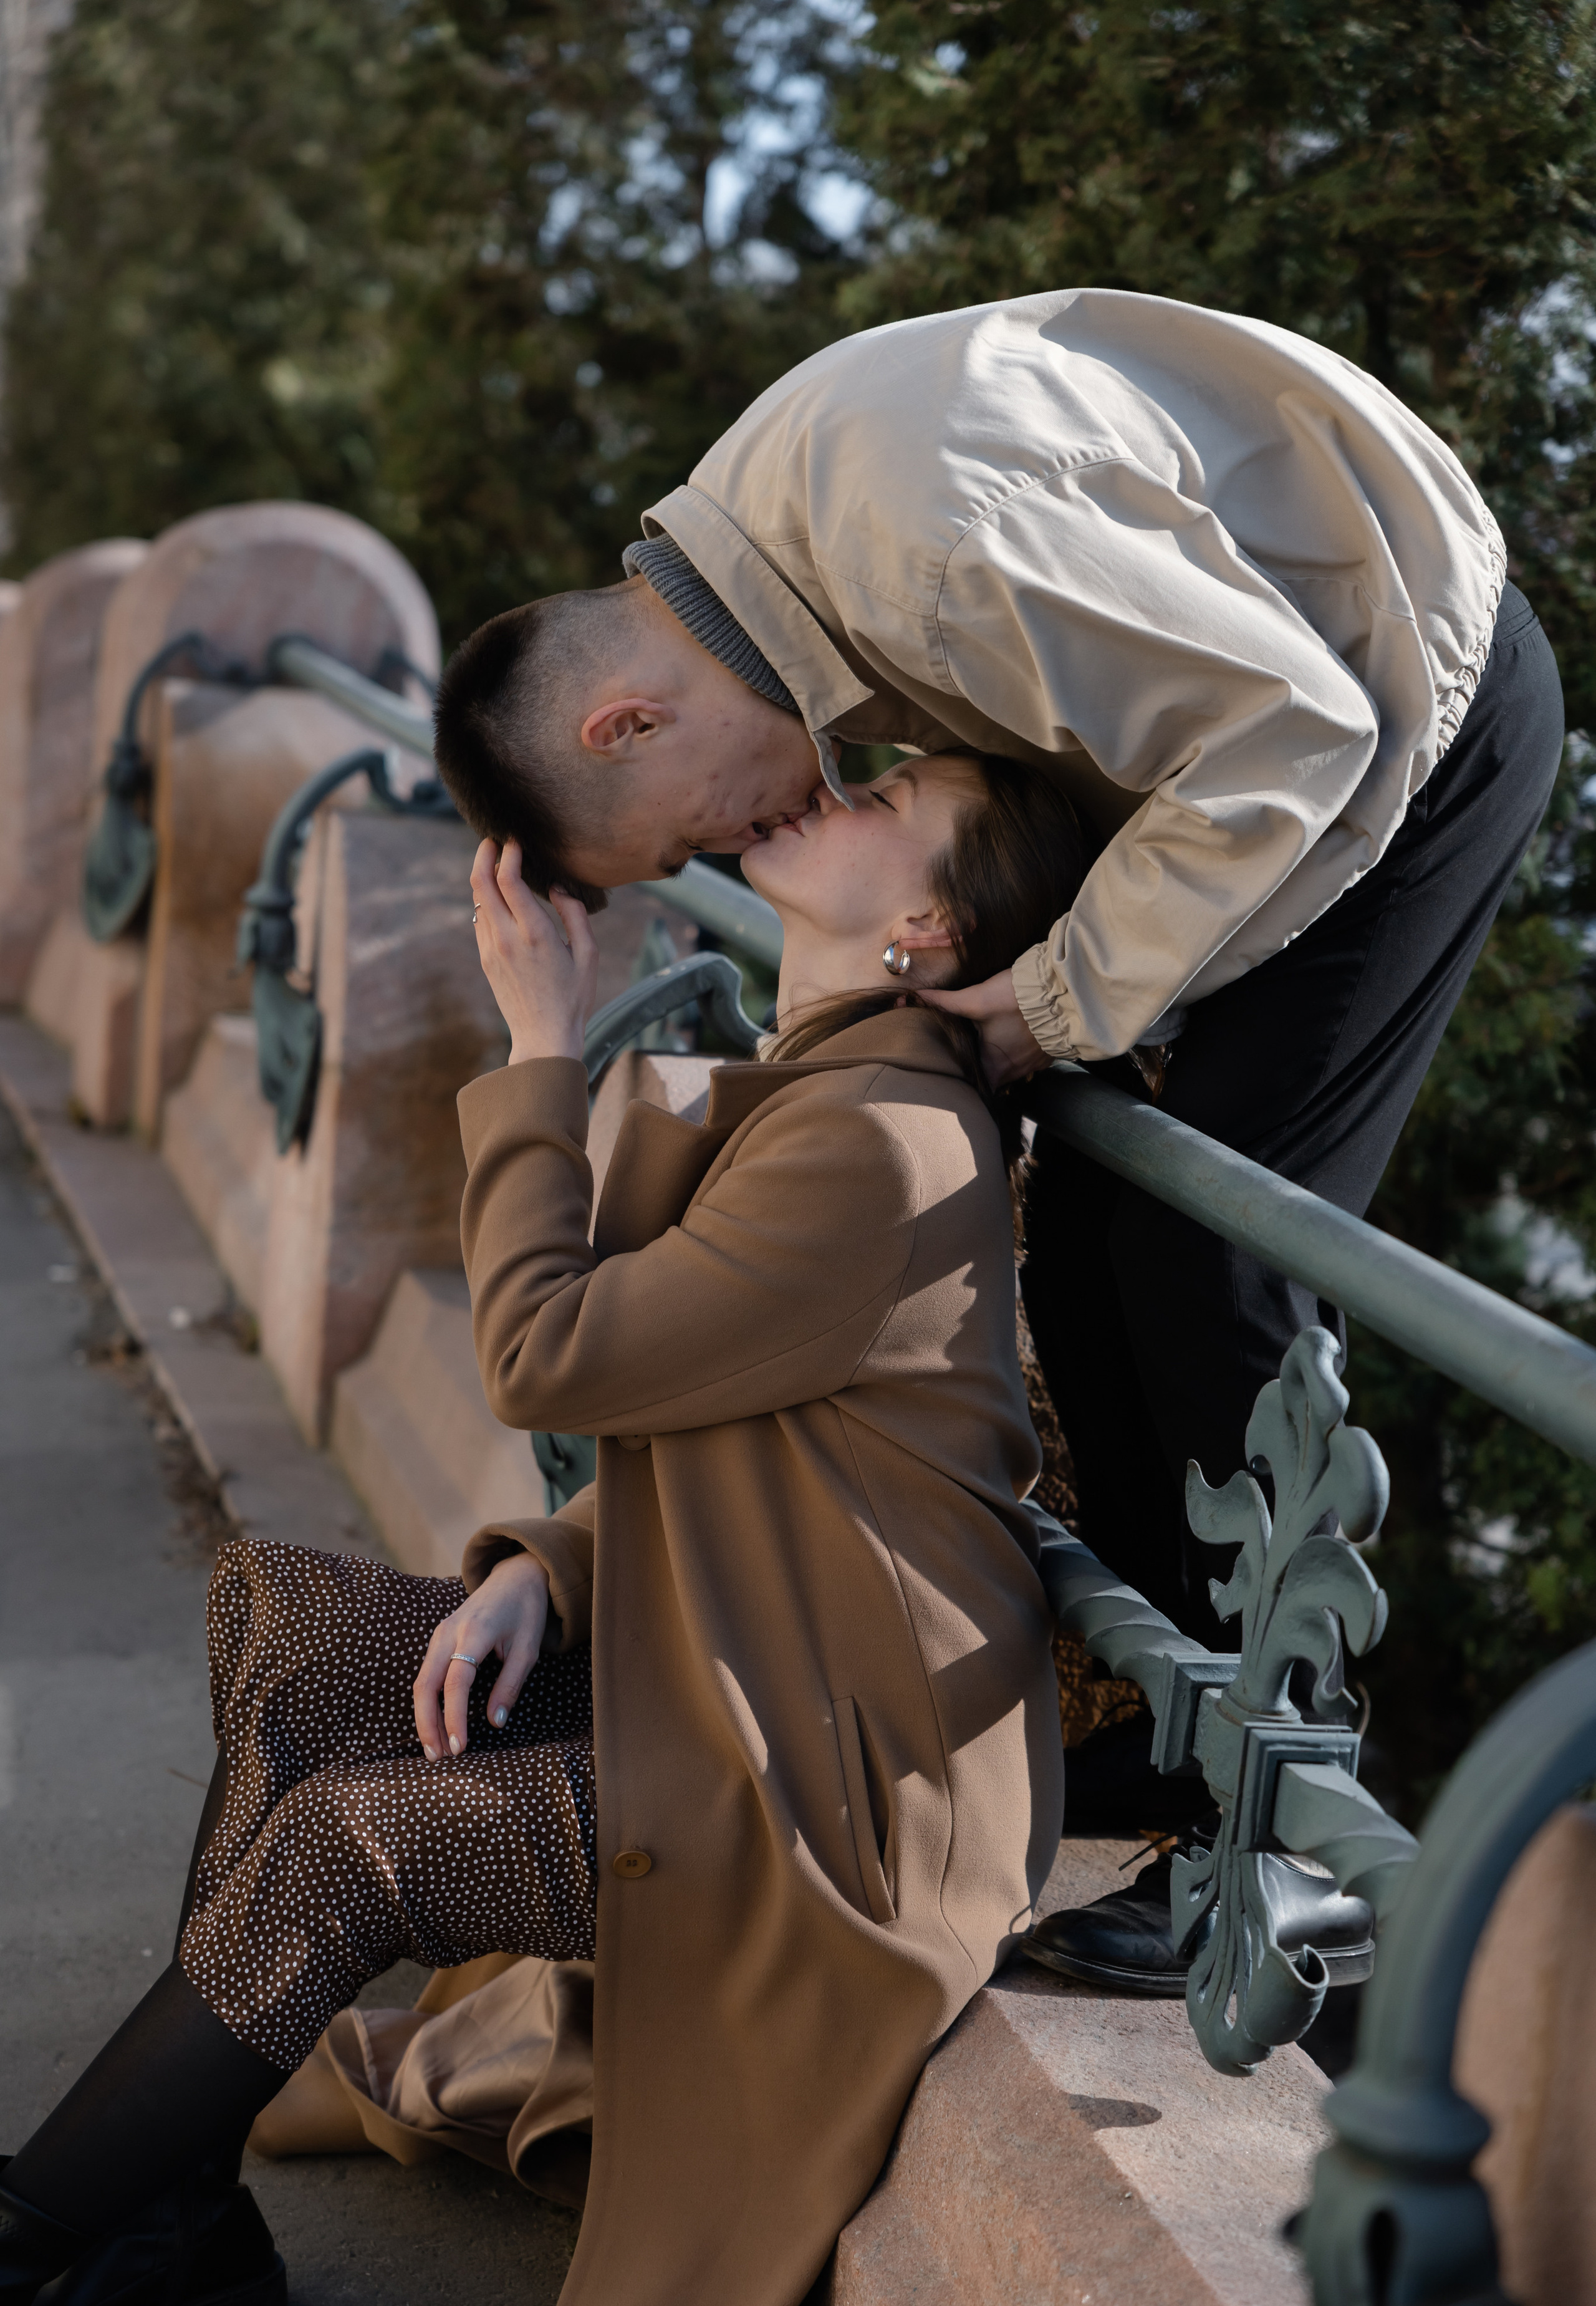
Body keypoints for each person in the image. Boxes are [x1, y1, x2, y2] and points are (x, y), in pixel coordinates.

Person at [429, 287, 1564, 1982]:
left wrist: (1051, 1003)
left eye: (674, 844)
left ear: (628, 725)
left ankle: (1288, 1818)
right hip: (1247, 735)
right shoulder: (758, 564)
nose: (738, 846)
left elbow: (1298, 738)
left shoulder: (916, 554)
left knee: (1209, 1239)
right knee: (1099, 1219)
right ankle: (1174, 1719)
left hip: (1409, 720)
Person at [6, 750, 1081, 2306]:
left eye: (887, 796)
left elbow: (542, 1354)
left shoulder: (883, 1142)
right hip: (724, 1673)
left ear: (929, 922)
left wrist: (537, 1042)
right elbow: (768, 1451)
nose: (833, 784)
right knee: (290, 1620)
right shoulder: (831, 1088)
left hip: (819, 1797)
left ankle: (44, 2230)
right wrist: (552, 1574)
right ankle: (175, 2223)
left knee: (346, 1844)